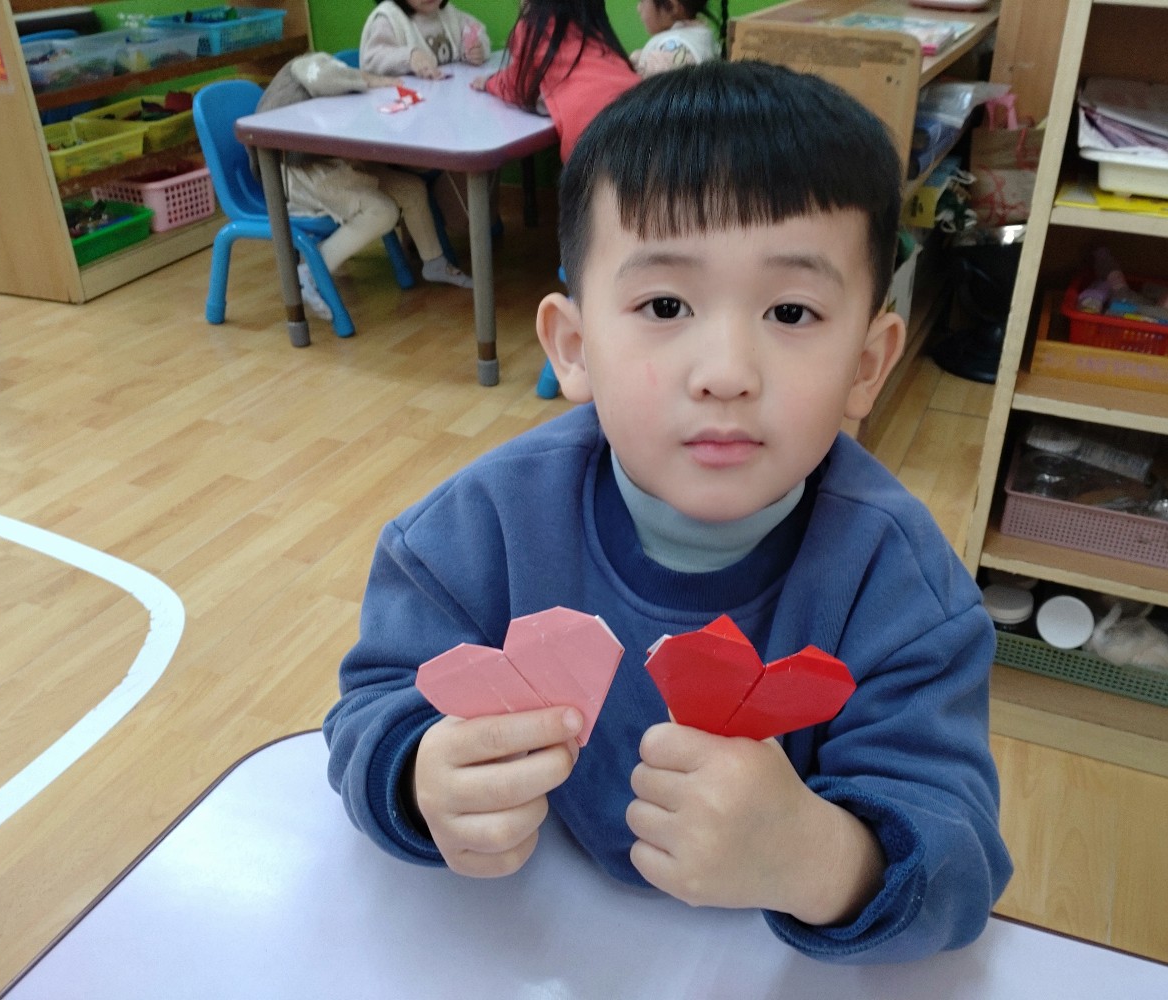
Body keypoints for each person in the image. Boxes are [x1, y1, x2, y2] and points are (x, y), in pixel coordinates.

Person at [324, 61, 1012, 964]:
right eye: (664, 304)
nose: (725, 371)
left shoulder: (902, 591)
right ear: (574, 348)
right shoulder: (475, 530)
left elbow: (956, 863)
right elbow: (371, 709)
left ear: (866, 364)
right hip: (537, 941)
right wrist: (420, 780)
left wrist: (819, 862)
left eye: (790, 311)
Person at [254, 52, 472, 320]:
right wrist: (373, 81)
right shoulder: (307, 64)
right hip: (296, 173)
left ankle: (434, 263)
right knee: (382, 210)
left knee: (412, 189)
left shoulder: (341, 77)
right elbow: (325, 79)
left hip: (332, 161)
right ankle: (311, 270)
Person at [470, 0, 638, 162]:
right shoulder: (594, 25)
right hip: (643, 109)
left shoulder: (534, 27)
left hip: (593, 139)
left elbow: (516, 88)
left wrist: (489, 82)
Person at [360, 0, 490, 80]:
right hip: (404, 109)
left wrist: (477, 49)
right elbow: (371, 59)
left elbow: (476, 31)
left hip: (442, 103)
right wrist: (409, 57)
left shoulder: (447, 13)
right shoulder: (388, 18)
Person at [631, 0, 726, 76]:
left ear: (671, 6)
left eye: (642, 1)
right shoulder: (702, 36)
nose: (638, 8)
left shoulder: (672, 51)